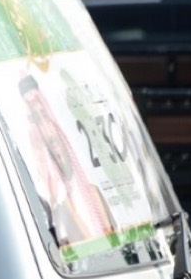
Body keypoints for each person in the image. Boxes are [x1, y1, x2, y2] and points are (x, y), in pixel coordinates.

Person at [19, 74, 117, 247]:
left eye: (45, 115)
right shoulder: (48, 204)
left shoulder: (92, 191)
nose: (46, 129)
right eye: (36, 119)